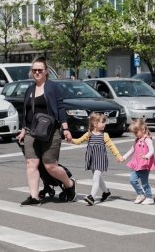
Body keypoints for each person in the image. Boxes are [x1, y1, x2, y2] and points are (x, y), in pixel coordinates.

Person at [16, 56, 76, 206]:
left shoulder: (52, 87)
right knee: (31, 163)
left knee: (50, 165)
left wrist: (66, 129)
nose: (37, 72)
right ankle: (34, 197)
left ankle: (69, 184)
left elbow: (61, 108)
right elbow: (27, 112)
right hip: (32, 131)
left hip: (51, 131)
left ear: (46, 71)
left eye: (40, 70)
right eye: (34, 70)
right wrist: (23, 130)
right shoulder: (30, 89)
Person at [71, 112, 123, 206]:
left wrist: (118, 156)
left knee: (95, 178)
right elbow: (78, 141)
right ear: (95, 124)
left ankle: (92, 197)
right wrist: (70, 140)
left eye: (104, 122)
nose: (105, 124)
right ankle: (106, 192)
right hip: (92, 160)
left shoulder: (105, 135)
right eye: (102, 122)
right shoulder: (89, 134)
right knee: (98, 179)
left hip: (101, 160)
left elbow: (112, 146)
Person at [122, 119, 155, 205]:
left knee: (145, 183)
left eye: (136, 132)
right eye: (134, 133)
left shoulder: (147, 139)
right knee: (132, 180)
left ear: (143, 129)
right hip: (136, 164)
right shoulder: (137, 140)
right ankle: (140, 194)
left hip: (144, 165)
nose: (135, 134)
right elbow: (132, 150)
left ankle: (149, 197)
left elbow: (152, 150)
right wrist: (124, 157)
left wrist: (147, 156)